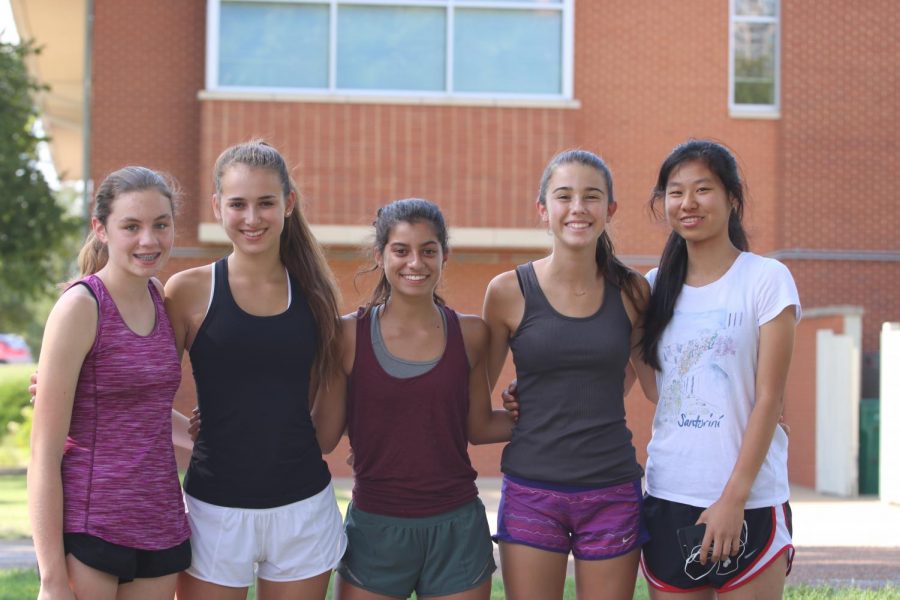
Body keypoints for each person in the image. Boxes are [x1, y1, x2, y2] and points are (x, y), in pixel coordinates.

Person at [164, 141, 346, 600]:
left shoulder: (314, 293)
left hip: (303, 508)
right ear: (216, 207)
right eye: (238, 204)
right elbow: (141, 387)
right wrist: (195, 431)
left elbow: (322, 422)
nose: (252, 217)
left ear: (288, 203)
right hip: (213, 511)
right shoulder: (188, 291)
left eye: (265, 202)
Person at [311, 198, 513, 600]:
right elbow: (322, 437)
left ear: (445, 256)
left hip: (456, 528)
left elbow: (478, 426)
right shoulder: (347, 336)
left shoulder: (471, 334)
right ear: (380, 255)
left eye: (428, 251)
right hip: (376, 527)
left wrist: (538, 410)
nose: (415, 263)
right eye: (401, 250)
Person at [482, 149, 653, 600]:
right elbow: (474, 400)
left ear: (610, 210)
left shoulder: (633, 291)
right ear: (544, 209)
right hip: (532, 489)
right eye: (564, 196)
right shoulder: (505, 292)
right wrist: (522, 410)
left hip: (612, 489)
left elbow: (648, 381)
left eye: (591, 196)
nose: (578, 207)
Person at [638, 139, 799, 598]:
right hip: (670, 494)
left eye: (702, 189)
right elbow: (659, 392)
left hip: (750, 498)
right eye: (675, 191)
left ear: (732, 197)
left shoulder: (766, 279)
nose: (687, 203)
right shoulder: (652, 288)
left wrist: (733, 498)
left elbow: (770, 397)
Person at [28, 167, 192, 600]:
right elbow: (43, 455)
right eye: (131, 227)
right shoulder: (81, 307)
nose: (149, 240)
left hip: (160, 525)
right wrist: (51, 579)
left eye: (161, 224)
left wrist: (215, 436)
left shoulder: (160, 295)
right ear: (101, 229)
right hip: (92, 526)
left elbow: (147, 412)